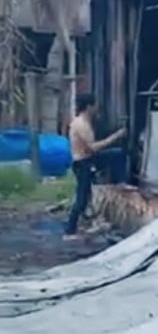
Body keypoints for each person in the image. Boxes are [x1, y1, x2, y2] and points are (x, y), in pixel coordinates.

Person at [64, 93, 126, 240]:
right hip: (84, 163)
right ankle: (69, 231)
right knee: (82, 197)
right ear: (89, 106)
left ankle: (89, 221)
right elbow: (93, 148)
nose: (97, 108)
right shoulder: (81, 124)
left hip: (87, 160)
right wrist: (116, 136)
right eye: (94, 105)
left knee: (118, 154)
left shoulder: (84, 121)